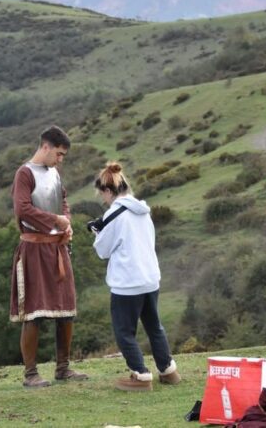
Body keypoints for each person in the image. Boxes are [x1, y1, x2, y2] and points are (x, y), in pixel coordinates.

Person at [9, 125, 89, 388]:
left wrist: (66, 223)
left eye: (63, 155)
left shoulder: (54, 173)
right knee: (35, 312)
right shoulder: (24, 173)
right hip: (33, 249)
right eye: (59, 153)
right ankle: (31, 374)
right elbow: (22, 209)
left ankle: (63, 368)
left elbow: (63, 200)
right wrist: (54, 220)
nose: (60, 159)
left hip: (57, 248)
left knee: (66, 310)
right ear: (45, 147)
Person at [92, 162, 181, 391]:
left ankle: (141, 375)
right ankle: (168, 370)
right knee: (154, 326)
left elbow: (102, 251)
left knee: (124, 331)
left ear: (109, 191)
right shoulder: (143, 210)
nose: (103, 199)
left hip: (127, 283)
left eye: (102, 194)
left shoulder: (114, 214)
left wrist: (98, 232)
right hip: (150, 278)